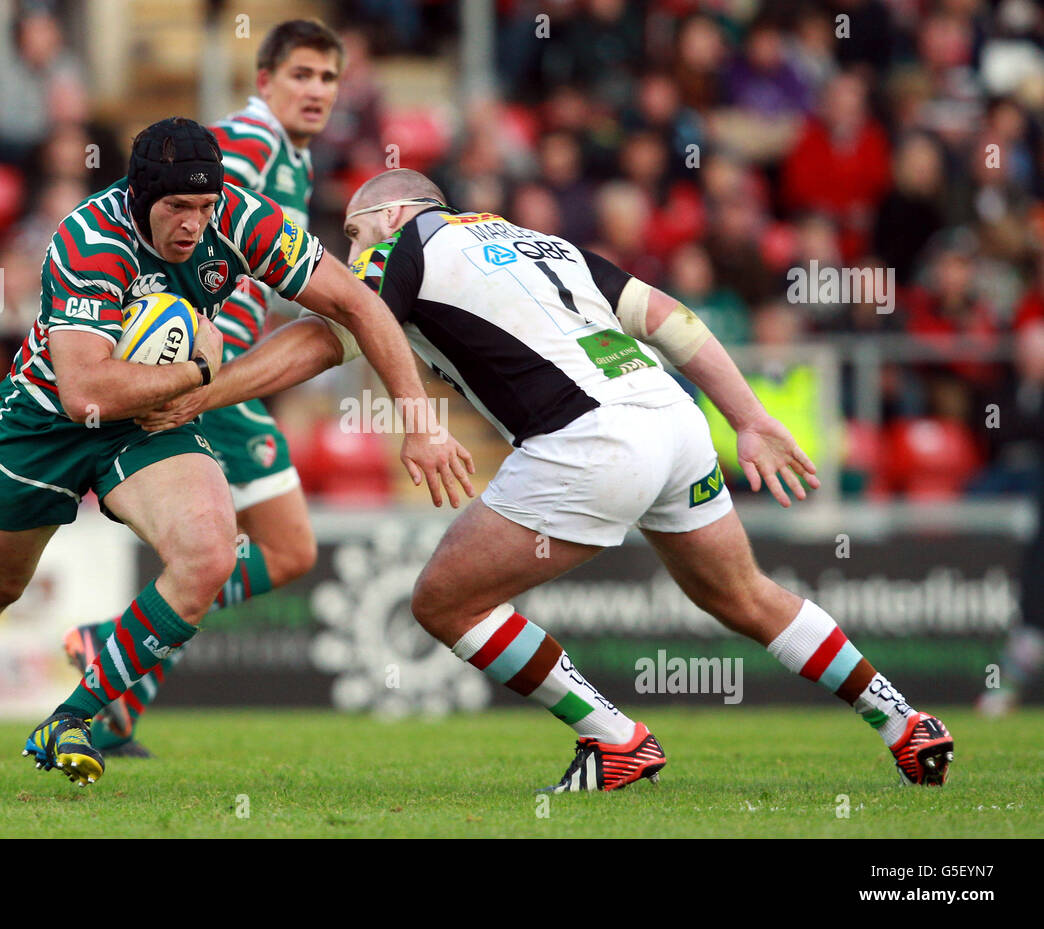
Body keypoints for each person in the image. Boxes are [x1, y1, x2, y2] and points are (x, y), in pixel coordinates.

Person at [147, 168, 956, 790]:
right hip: (671, 421)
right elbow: (670, 316)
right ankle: (905, 721)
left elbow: (330, 339)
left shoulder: (402, 249)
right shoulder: (542, 241)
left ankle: (613, 740)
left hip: (590, 442)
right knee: (743, 594)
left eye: (355, 232)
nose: (351, 253)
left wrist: (201, 392)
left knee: (440, 601)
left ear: (393, 215)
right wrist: (743, 415)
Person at [0, 122, 473, 792]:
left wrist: (418, 421)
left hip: (148, 423)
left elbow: (358, 304)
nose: (193, 225)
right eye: (176, 209)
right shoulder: (88, 238)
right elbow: (83, 392)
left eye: (205, 207)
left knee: (211, 553)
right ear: (139, 196)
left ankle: (71, 716)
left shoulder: (246, 220)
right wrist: (198, 373)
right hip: (44, 424)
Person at [62, 20, 346, 758]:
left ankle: (120, 694)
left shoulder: (291, 158)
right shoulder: (247, 145)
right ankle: (111, 650)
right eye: (302, 75)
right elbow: (170, 224)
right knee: (282, 550)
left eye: (328, 78)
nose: (316, 91)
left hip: (230, 371)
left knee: (264, 552)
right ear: (265, 81)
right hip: (204, 373)